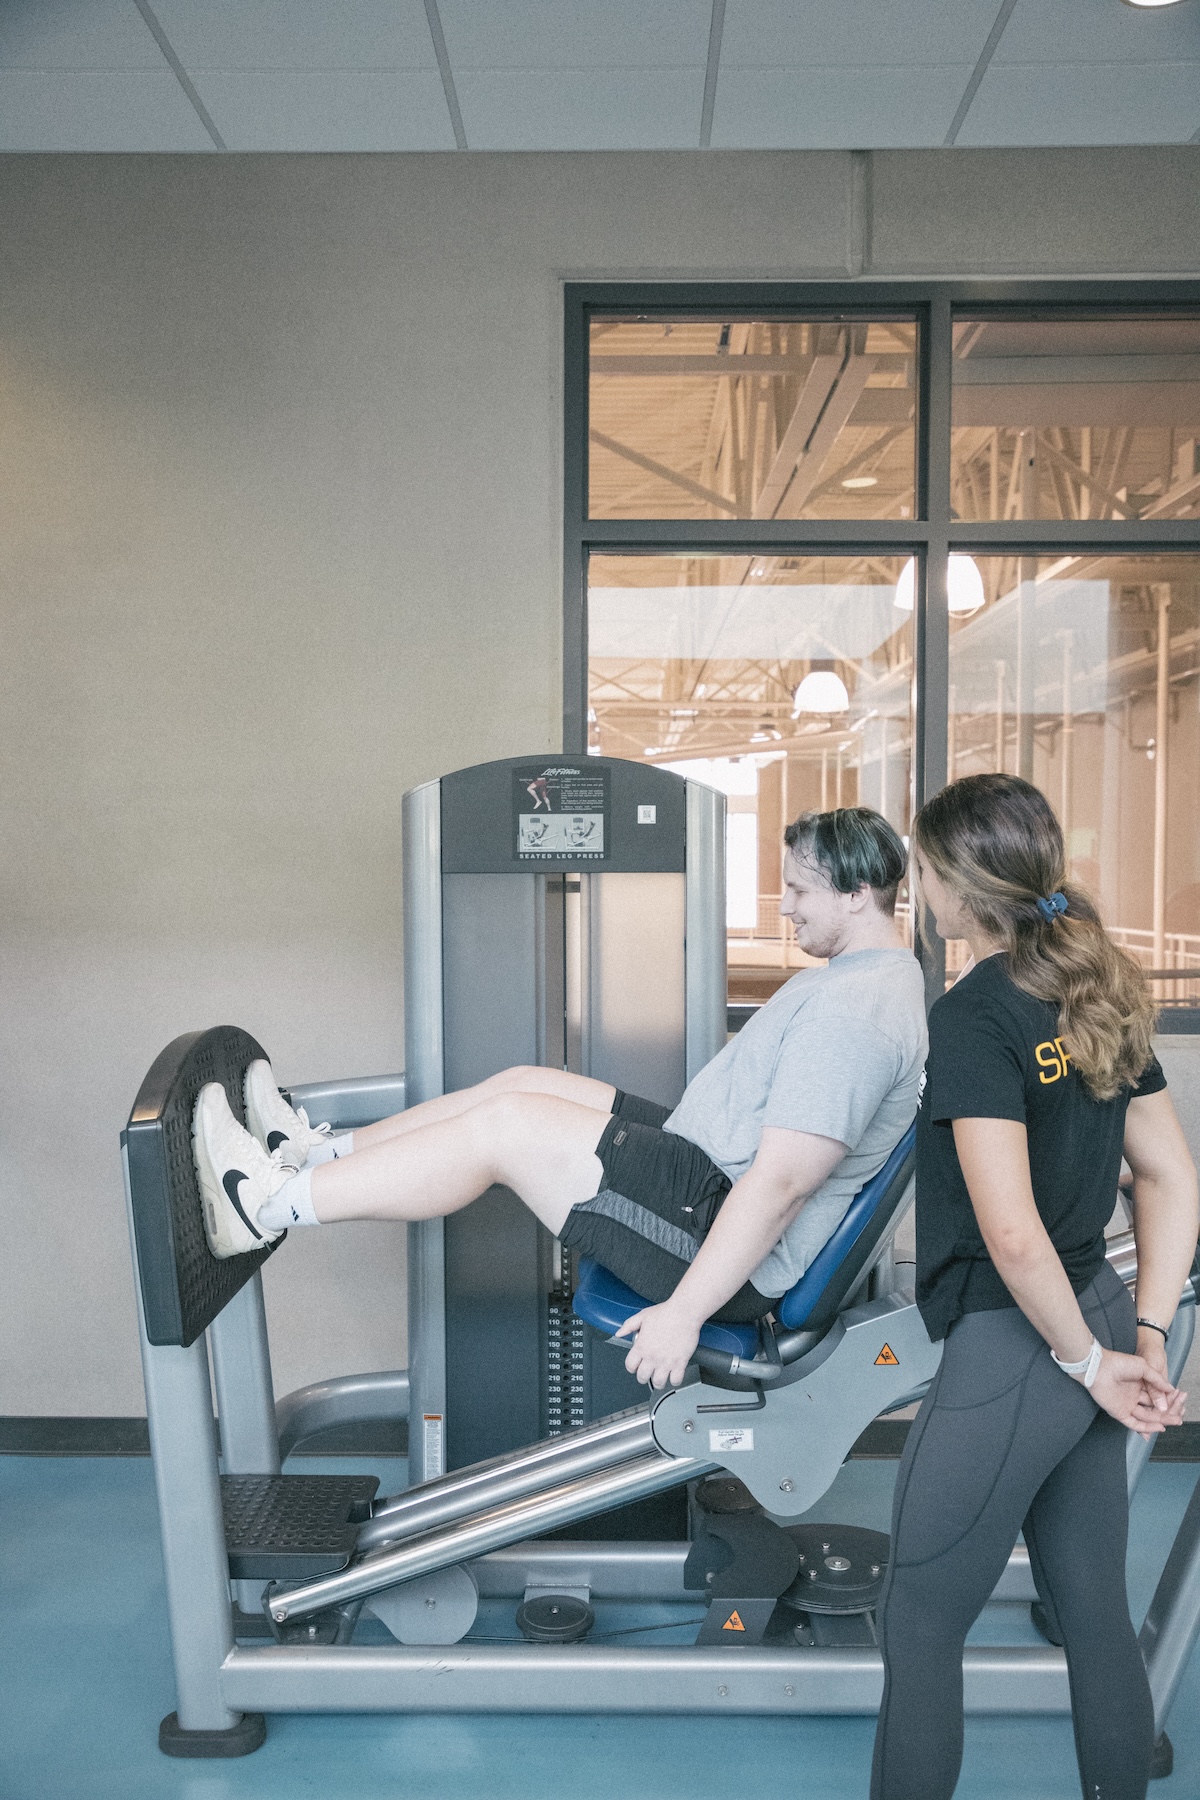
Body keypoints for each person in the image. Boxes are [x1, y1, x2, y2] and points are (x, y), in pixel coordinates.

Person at [193, 806, 927, 1389]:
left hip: (716, 1226)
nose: (787, 908)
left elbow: (783, 1185)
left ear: (858, 893)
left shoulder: (854, 1015)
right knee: (524, 1084)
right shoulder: (854, 979)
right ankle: (311, 1153)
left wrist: (684, 1314)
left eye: (800, 890)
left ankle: (266, 1205)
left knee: (507, 1129)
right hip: (699, 1169)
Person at [871, 773, 1199, 1800]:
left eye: (923, 872)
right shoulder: (1097, 981)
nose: (920, 892)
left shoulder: (974, 1015)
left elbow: (1012, 1237)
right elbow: (1173, 1174)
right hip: (1098, 1306)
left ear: (963, 887)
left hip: (1018, 1344)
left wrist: (1089, 1362)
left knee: (917, 1621)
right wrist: (1139, 1332)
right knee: (1095, 1608)